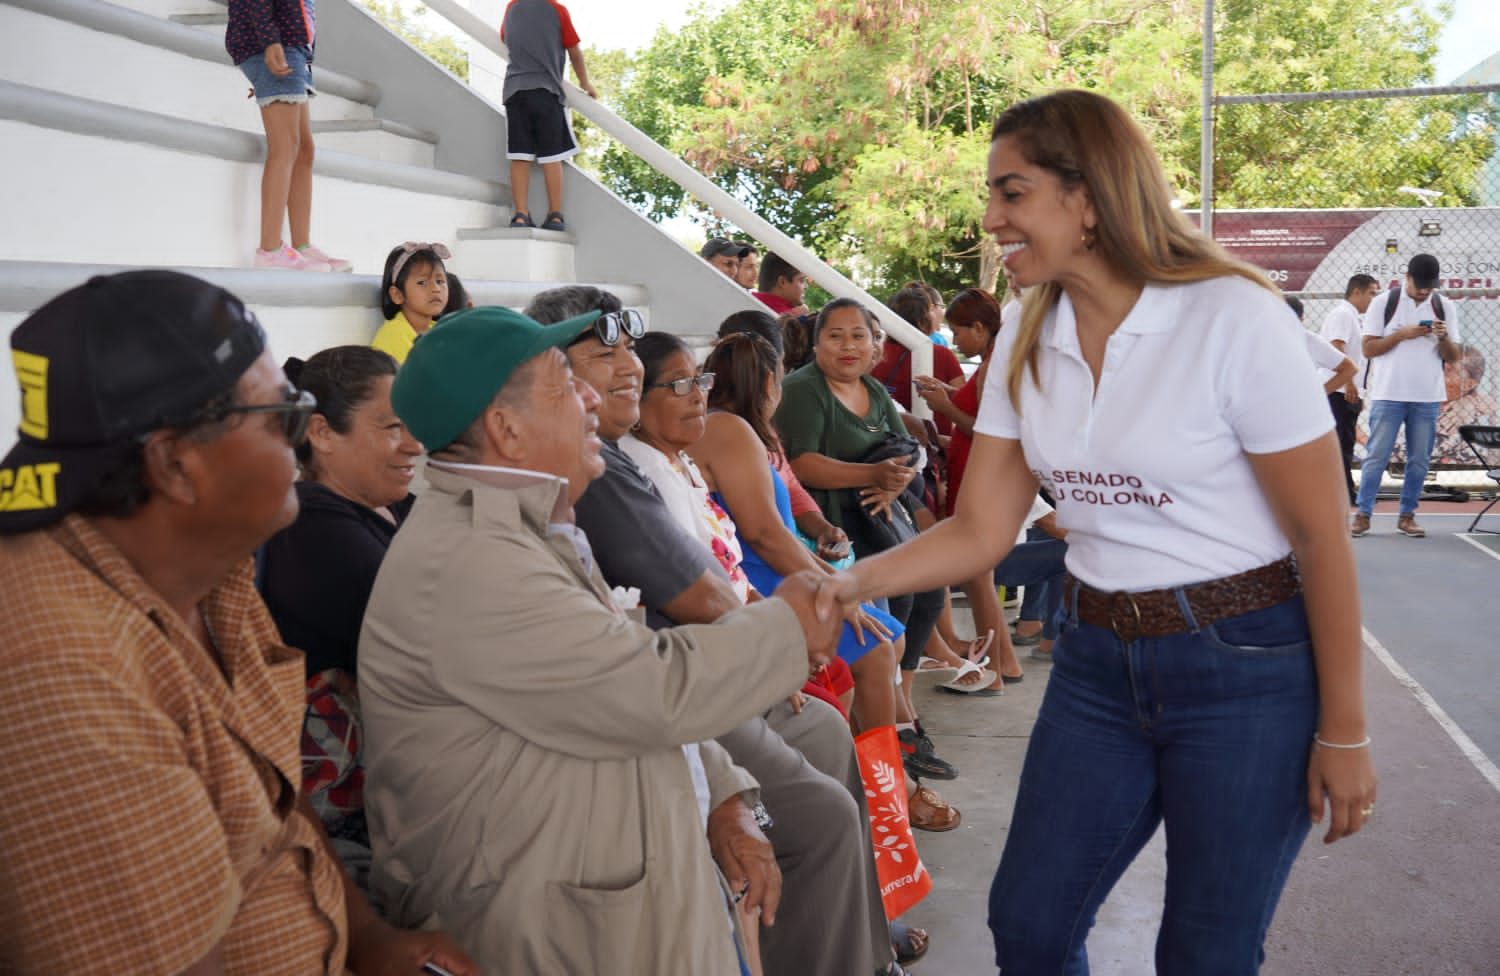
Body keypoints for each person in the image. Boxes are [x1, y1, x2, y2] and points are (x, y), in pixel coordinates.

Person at [815, 89, 1376, 974]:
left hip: (1248, 670)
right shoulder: (1029, 340)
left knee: (1206, 953)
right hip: (1096, 664)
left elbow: (1321, 537)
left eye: (1012, 192)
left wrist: (1344, 730)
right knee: (1031, 926)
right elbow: (980, 528)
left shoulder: (1231, 316)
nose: (991, 217)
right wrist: (849, 584)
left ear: (1088, 198)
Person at [0, 271, 471, 974]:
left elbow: (271, 797)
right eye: (283, 416)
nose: (300, 440)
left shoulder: (214, 574)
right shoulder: (66, 669)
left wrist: (368, 939)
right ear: (176, 465)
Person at [359, 305, 840, 973]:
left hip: (614, 896)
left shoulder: (525, 525)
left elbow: (612, 668)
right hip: (560, 927)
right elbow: (652, 692)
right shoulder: (474, 561)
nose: (592, 397)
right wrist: (794, 621)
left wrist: (723, 794)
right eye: (565, 382)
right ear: (506, 429)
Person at [531, 291, 915, 976]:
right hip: (670, 697)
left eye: (631, 353)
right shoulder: (602, 472)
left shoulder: (612, 459)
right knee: (821, 814)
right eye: (604, 354)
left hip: (687, 679)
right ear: (544, 381)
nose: (627, 367)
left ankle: (864, 941)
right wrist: (779, 647)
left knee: (829, 727)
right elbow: (695, 605)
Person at [258, 345, 422, 886]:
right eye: (393, 427)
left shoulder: (392, 502)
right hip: (345, 823)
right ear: (323, 433)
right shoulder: (313, 525)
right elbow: (429, 641)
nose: (414, 445)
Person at [774, 299, 954, 781]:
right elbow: (802, 465)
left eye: (859, 335)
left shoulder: (873, 389)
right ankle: (891, 732)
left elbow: (908, 450)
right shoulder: (802, 391)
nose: (848, 346)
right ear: (816, 343)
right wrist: (872, 473)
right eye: (835, 335)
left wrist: (896, 478)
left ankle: (904, 711)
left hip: (881, 519)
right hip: (831, 531)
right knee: (891, 608)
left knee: (931, 592)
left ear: (876, 346)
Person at [227, 0, 350, 272]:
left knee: (305, 149)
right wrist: (270, 40)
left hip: (294, 50)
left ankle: (301, 246)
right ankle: (269, 250)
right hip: (272, 46)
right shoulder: (269, 42)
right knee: (285, 147)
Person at [1354, 252, 1463, 538]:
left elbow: (1453, 357)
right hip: (1389, 393)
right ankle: (1363, 514)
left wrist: (1443, 337)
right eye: (1420, 285)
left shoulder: (1444, 306)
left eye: (1430, 285)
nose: (1425, 291)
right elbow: (1368, 349)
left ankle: (1407, 515)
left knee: (1419, 460)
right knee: (1376, 456)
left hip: (1427, 396)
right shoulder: (1384, 303)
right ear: (1407, 278)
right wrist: (1402, 335)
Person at [500, 0, 597, 231]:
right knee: (552, 157)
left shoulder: (512, 7)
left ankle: (521, 215)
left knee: (519, 156)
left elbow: (505, 37)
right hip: (546, 91)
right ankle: (555, 215)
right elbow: (574, 50)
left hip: (515, 91)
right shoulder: (558, 10)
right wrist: (585, 83)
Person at [1319, 274, 1380, 504]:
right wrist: (1349, 383)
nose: (1373, 299)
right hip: (1339, 390)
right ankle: (1342, 493)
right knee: (1340, 444)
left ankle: (1342, 491)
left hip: (1347, 390)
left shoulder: (1353, 317)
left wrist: (1358, 390)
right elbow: (1337, 347)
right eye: (1371, 293)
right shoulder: (1343, 315)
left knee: (1344, 442)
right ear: (1357, 292)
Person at [876, 286, 966, 430]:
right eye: (931, 309)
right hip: (936, 444)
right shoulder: (942, 355)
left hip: (886, 440)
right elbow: (964, 402)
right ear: (923, 318)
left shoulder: (875, 353)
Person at [371, 242, 451, 363]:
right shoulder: (394, 336)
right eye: (422, 282)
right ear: (397, 295)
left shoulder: (441, 331)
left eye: (440, 281)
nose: (436, 289)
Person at [1435, 344, 1496, 463]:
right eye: (1440, 366)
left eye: (1449, 370)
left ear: (1469, 384)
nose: (1440, 373)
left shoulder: (1465, 423)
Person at [754, 252, 812, 317]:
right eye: (801, 280)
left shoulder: (748, 299)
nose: (806, 287)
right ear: (782, 282)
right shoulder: (789, 320)